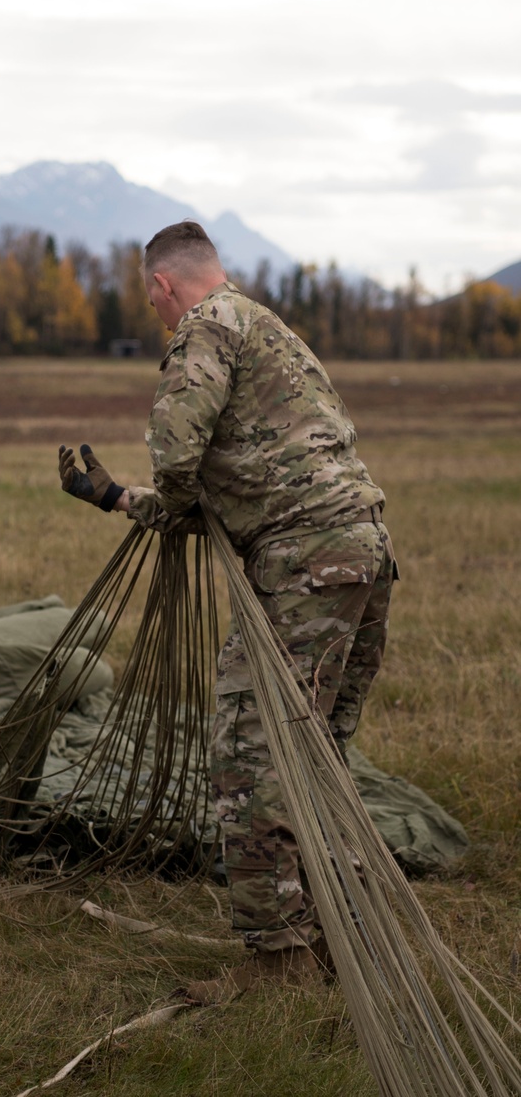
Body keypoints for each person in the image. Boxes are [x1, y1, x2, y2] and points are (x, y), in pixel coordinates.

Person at [58, 220, 396, 1001]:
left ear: (163, 286)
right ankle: (339, 928)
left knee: (250, 757)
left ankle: (279, 963)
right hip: (363, 553)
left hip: (304, 562)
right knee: (317, 757)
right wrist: (114, 499)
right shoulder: (271, 330)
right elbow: (230, 485)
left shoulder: (202, 330)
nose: (156, 314)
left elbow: (179, 457)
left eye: (152, 301)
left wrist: (165, 487)